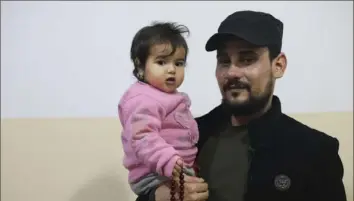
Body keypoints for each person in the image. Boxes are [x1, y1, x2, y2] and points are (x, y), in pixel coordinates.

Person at [135, 10, 347, 201]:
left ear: (278, 65)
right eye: (224, 61)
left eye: (247, 60)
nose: (232, 72)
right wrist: (157, 197)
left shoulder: (316, 152)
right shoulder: (188, 135)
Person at [118, 22, 200, 198]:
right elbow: (143, 137)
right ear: (140, 66)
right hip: (154, 174)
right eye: (161, 62)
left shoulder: (168, 96)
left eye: (179, 63)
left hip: (173, 169)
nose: (171, 69)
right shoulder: (142, 98)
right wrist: (168, 160)